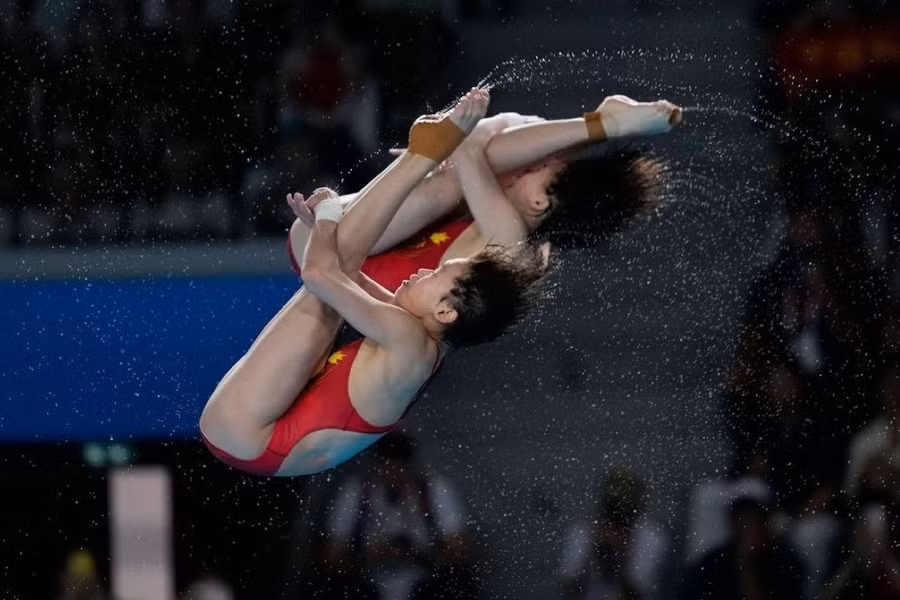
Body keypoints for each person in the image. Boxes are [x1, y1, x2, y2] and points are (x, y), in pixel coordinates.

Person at [199, 89, 547, 476]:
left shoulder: (407, 338)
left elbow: (319, 274)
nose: (423, 270)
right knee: (341, 264)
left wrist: (331, 210)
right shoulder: (424, 345)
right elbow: (344, 274)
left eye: (438, 273)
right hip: (255, 439)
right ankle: (421, 156)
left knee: (335, 272)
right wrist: (323, 230)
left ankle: (421, 157)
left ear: (446, 311)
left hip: (249, 431)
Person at [286, 95, 682, 291]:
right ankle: (600, 123)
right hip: (331, 233)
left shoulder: (515, 249)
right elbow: (495, 133)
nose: (536, 163)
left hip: (327, 249)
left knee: (455, 176)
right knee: (473, 163)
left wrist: (437, 150)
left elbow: (470, 142)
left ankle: (601, 124)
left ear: (541, 202)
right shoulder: (515, 205)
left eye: (542, 170)